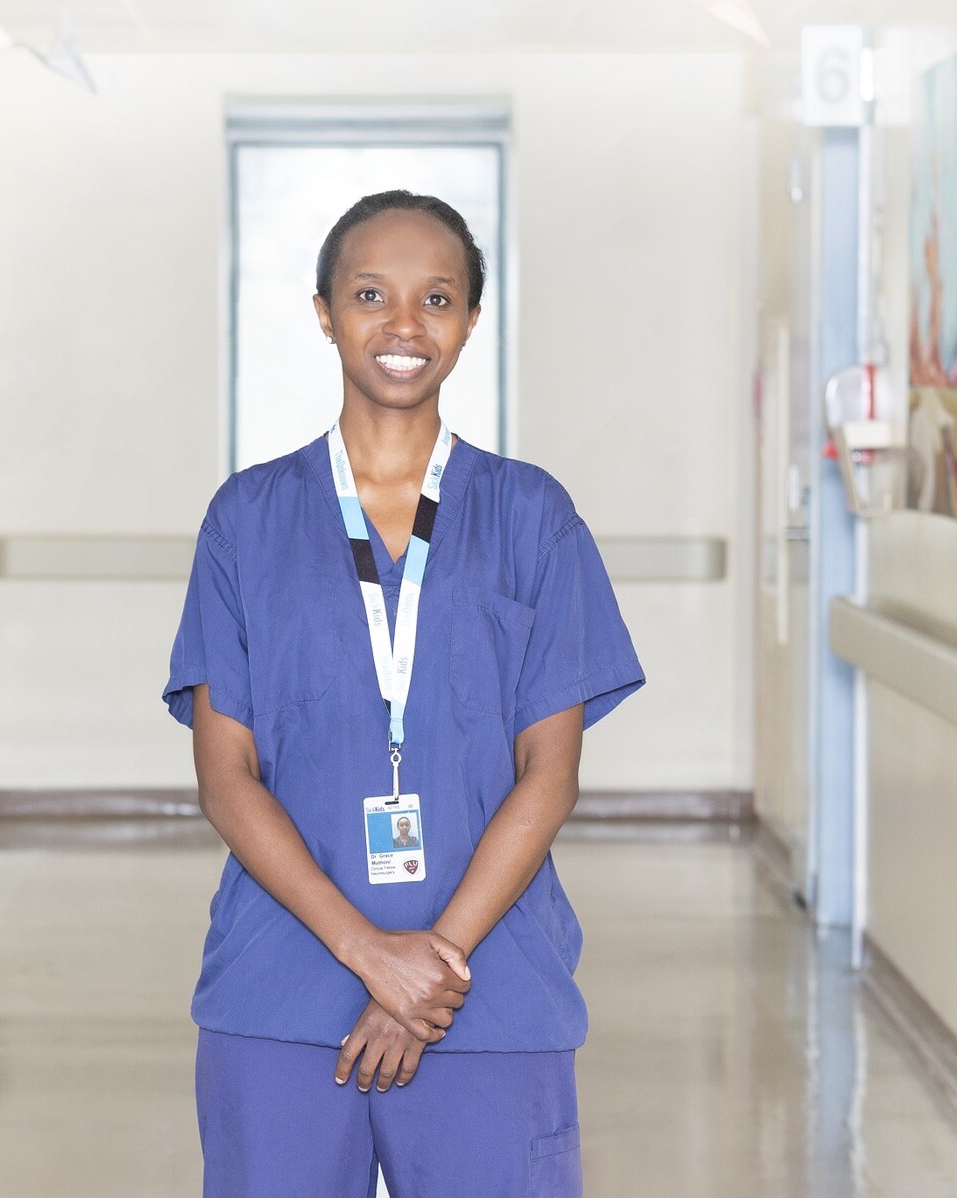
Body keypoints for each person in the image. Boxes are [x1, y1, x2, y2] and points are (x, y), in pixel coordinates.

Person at [164, 189, 644, 1198]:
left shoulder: (533, 518)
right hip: (281, 995)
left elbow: (547, 776)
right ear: (324, 310)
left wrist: (433, 964)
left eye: (436, 298)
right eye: (371, 293)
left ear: (471, 320)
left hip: (492, 996)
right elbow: (226, 774)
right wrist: (370, 957)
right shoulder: (245, 521)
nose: (402, 325)